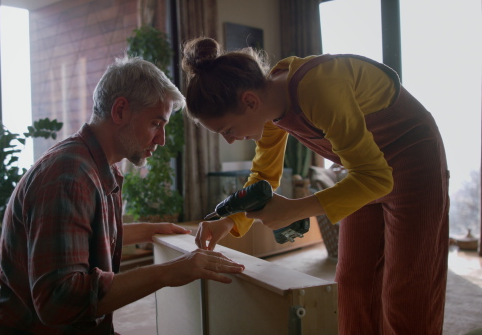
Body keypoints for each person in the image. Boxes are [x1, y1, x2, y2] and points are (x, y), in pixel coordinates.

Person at [182, 37, 449, 334]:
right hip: (361, 171)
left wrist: (296, 210)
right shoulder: (268, 106)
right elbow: (263, 177)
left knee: (408, 288)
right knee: (352, 281)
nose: (229, 140)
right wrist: (229, 220)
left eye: (227, 130)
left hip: (412, 159)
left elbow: (377, 178)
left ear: (249, 101)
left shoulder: (318, 88)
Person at [0, 56, 245, 334]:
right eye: (157, 123)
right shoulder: (69, 176)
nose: (162, 139)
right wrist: (170, 272)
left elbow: (82, 237)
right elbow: (59, 301)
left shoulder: (91, 166)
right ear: (120, 110)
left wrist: (148, 231)